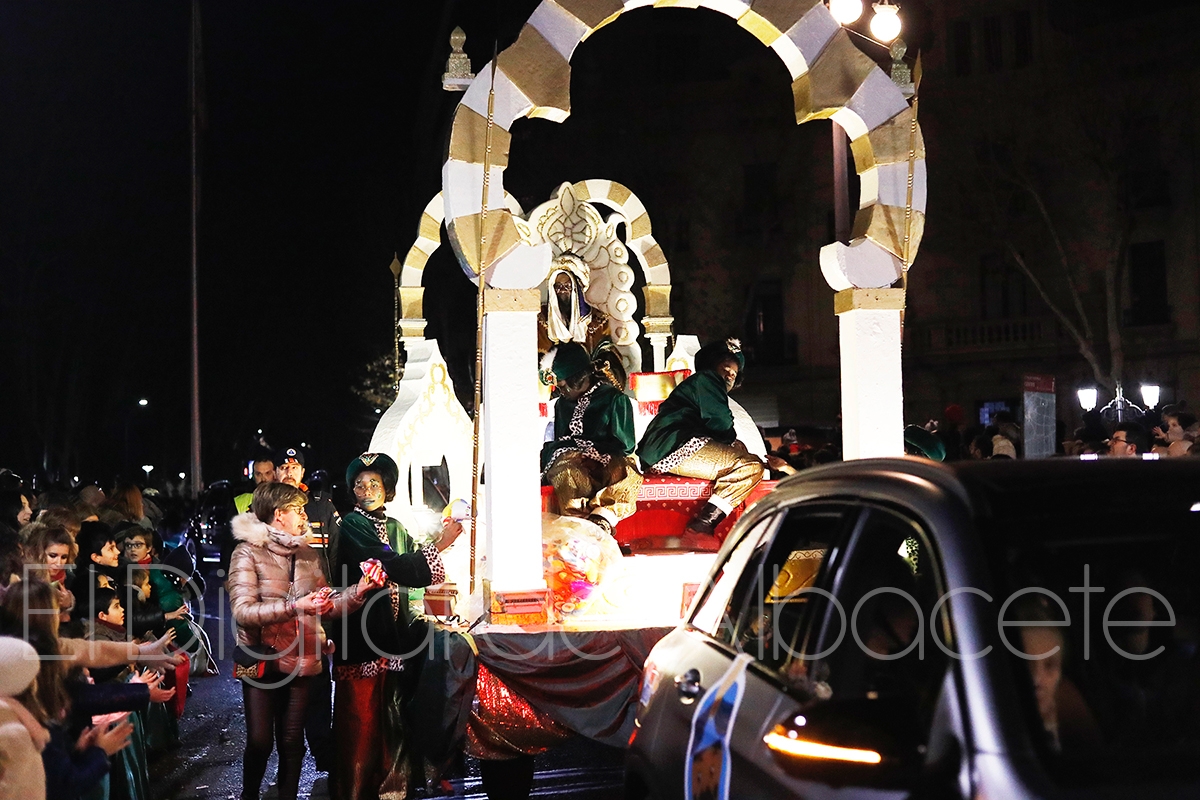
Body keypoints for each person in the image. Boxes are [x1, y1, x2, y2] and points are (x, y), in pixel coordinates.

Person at [226, 482, 379, 800]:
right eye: (298, 510)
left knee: (292, 740)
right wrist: (295, 607)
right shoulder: (247, 552)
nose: (304, 515)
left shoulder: (307, 553)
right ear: (279, 514)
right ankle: (249, 795)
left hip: (301, 656)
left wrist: (359, 591)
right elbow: (243, 611)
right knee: (260, 741)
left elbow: (326, 604)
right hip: (262, 659)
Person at [328, 453, 462, 800]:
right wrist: (441, 544)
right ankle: (355, 790)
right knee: (361, 717)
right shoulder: (352, 525)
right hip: (360, 635)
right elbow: (392, 564)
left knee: (393, 714)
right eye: (359, 485)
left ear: (387, 488)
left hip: (394, 635)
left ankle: (393, 789)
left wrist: (440, 543)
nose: (366, 491)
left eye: (374, 483)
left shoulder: (398, 528)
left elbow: (415, 563)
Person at [636, 338, 764, 537]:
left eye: (734, 374)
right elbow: (720, 420)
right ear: (712, 366)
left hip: (666, 449)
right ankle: (703, 524)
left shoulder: (701, 384)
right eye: (726, 369)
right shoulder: (707, 379)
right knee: (751, 466)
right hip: (675, 445)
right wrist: (733, 443)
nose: (729, 376)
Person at [540, 343, 642, 536]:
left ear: (578, 378)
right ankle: (578, 527)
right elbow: (561, 440)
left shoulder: (614, 399)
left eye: (562, 385)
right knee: (565, 470)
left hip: (606, 461)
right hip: (572, 463)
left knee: (626, 470)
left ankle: (602, 519)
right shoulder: (561, 404)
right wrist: (577, 454)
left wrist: (595, 454)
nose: (561, 391)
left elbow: (626, 445)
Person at [536, 254, 609, 356]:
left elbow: (607, 355)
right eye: (558, 286)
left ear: (576, 288)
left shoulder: (598, 321)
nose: (562, 290)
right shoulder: (541, 319)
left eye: (567, 285)